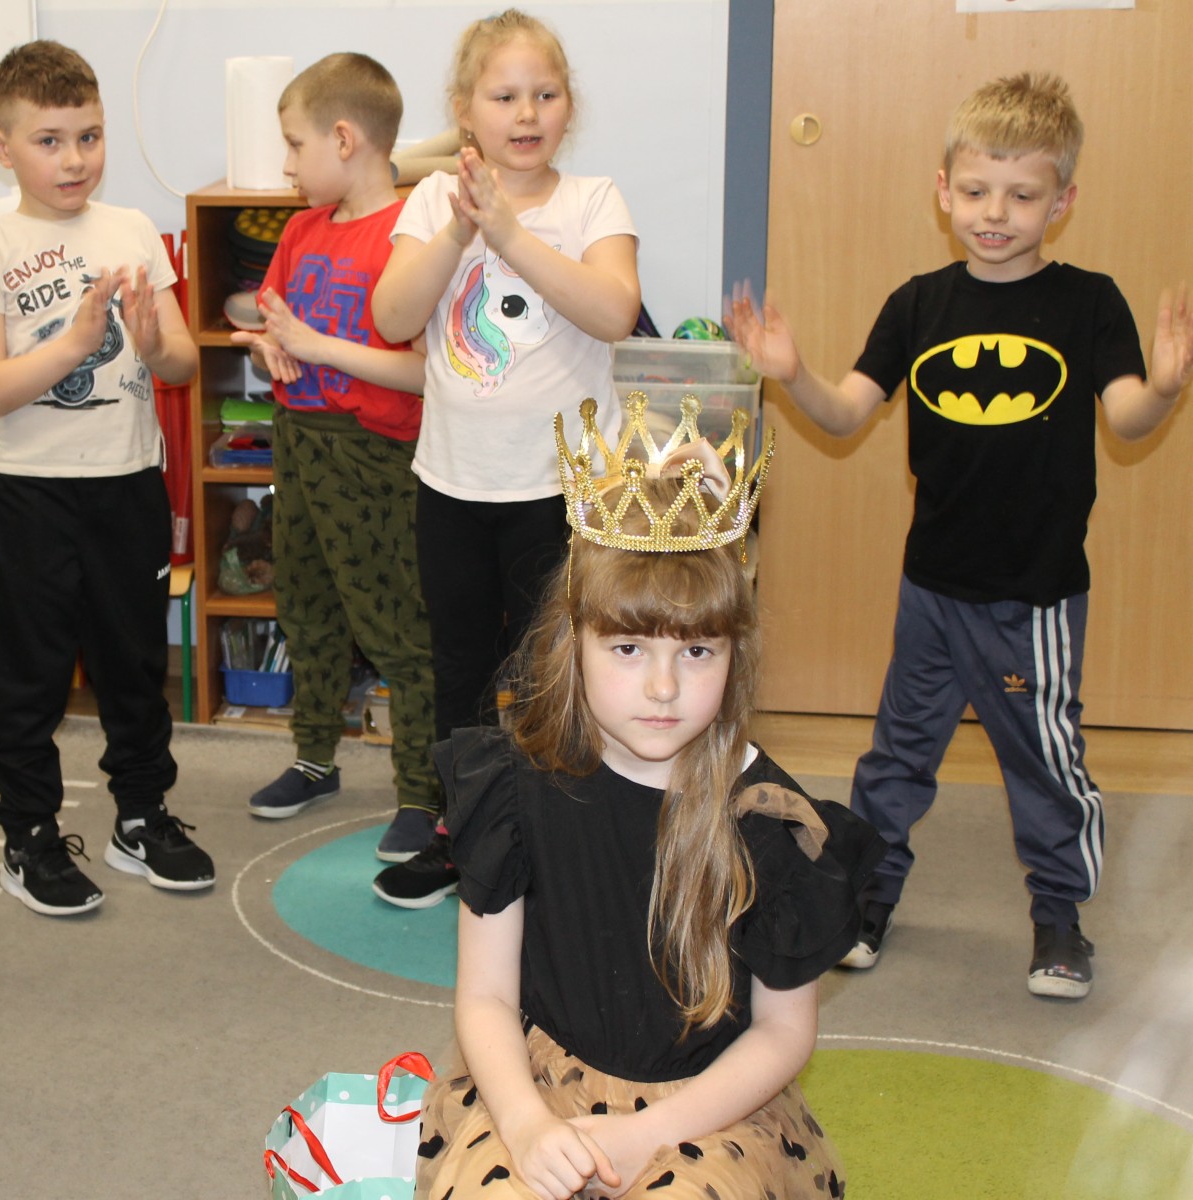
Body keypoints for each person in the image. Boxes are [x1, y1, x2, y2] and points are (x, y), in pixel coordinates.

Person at [726, 72, 1192, 1000]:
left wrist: (1166, 387)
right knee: (897, 752)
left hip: (1035, 593)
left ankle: (1058, 916)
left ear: (1062, 201)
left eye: (1022, 195)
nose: (995, 213)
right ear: (944, 190)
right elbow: (846, 413)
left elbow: (1128, 418)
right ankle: (868, 897)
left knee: (1043, 759)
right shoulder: (919, 304)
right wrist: (792, 372)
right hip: (932, 585)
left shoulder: (1089, 302)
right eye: (977, 191)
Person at [416, 397, 884, 1200]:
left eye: (697, 652)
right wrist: (526, 1127)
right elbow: (486, 996)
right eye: (629, 647)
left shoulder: (766, 818)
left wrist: (643, 1137)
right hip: (537, 1087)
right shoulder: (516, 786)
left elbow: (782, 1034)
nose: (663, 687)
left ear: (735, 653)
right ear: (574, 640)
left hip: (708, 1111)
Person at [371, 7, 642, 891]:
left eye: (546, 94)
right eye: (504, 96)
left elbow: (614, 312)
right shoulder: (430, 201)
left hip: (559, 492)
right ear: (465, 112)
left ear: (570, 106)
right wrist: (460, 228)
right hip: (453, 486)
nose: (527, 113)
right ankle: (464, 833)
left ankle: (549, 841)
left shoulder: (592, 200)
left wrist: (511, 234)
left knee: (551, 674)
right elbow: (393, 317)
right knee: (459, 668)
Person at [0, 40, 201, 916]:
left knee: (134, 664)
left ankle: (142, 815)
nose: (74, 159)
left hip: (127, 485)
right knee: (28, 676)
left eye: (88, 137)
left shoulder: (131, 231)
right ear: (2, 147)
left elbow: (180, 362)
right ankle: (29, 834)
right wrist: (74, 345)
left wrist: (149, 336)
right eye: (49, 140)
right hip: (32, 495)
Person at [229, 54, 439, 868]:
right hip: (298, 443)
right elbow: (276, 326)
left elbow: (426, 369)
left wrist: (314, 346)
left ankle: (422, 793)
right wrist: (268, 348)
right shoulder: (300, 230)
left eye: (294, 145)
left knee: (397, 628)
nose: (287, 166)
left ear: (345, 139)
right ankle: (314, 758)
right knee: (307, 611)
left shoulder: (412, 234)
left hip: (373, 459)